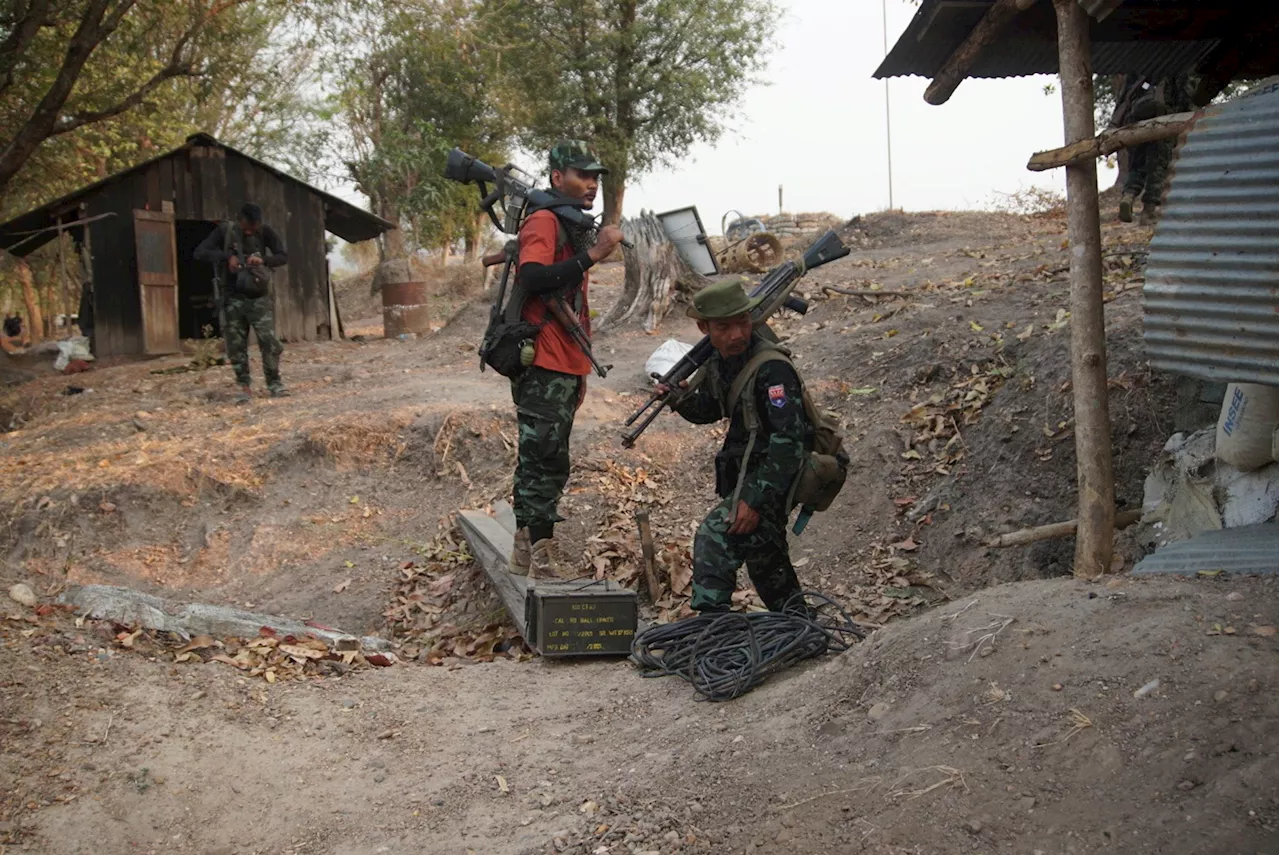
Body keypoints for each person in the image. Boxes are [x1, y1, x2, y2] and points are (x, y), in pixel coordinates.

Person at [657, 278, 813, 613]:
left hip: (774, 477)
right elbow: (712, 409)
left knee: (714, 537)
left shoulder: (771, 368)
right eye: (724, 327)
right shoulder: (722, 361)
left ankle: (711, 628)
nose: (737, 335)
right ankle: (799, 626)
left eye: (742, 323)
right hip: (750, 474)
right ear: (704, 327)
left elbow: (788, 445)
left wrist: (754, 500)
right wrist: (679, 398)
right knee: (765, 559)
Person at [506, 140, 624, 579]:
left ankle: (525, 548)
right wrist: (596, 253)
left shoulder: (568, 224)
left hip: (565, 361)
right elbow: (533, 276)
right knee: (545, 457)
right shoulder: (543, 221)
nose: (591, 184)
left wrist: (579, 365)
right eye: (582, 175)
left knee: (545, 456)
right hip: (544, 362)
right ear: (558, 178)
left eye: (595, 178)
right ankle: (541, 554)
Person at [194, 202, 289, 402]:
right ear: (240, 220)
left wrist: (262, 260)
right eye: (246, 227)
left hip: (259, 298)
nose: (249, 232)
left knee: (269, 342)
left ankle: (275, 384)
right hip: (232, 299)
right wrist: (227, 257)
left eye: (253, 229)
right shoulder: (225, 231)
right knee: (236, 347)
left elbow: (283, 256)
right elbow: (200, 252)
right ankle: (244, 388)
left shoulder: (265, 232)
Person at [1110, 74, 1193, 225]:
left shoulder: (1139, 69)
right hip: (1162, 121)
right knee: (1158, 168)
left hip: (1136, 121)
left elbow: (1124, 99)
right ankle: (1148, 212)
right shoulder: (1176, 69)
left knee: (1137, 165)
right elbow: (1184, 98)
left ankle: (1128, 196)